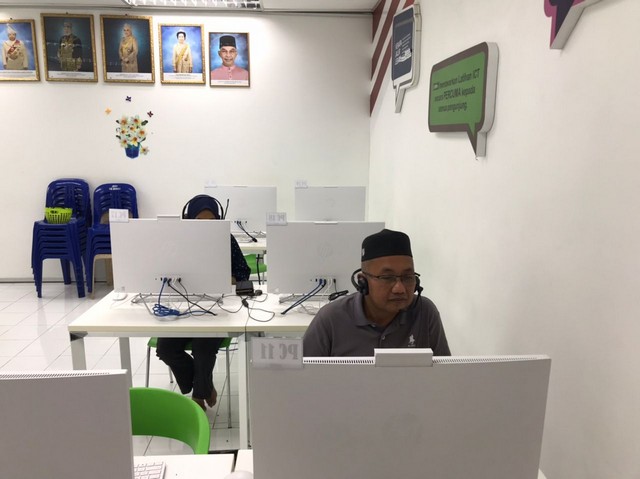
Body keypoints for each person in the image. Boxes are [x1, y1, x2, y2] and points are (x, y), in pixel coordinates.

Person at [156, 195, 251, 411]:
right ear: (188, 220)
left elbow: (243, 273)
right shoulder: (178, 242)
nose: (205, 226)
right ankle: (205, 385)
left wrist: (227, 279)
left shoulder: (225, 239)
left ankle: (198, 395)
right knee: (165, 348)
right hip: (183, 306)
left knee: (203, 347)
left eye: (211, 221)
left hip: (216, 307)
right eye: (199, 221)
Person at [303, 229, 451, 357]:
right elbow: (302, 377)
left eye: (407, 277)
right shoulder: (331, 319)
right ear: (363, 282)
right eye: (387, 278)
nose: (399, 289)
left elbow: (445, 374)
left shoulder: (425, 312)